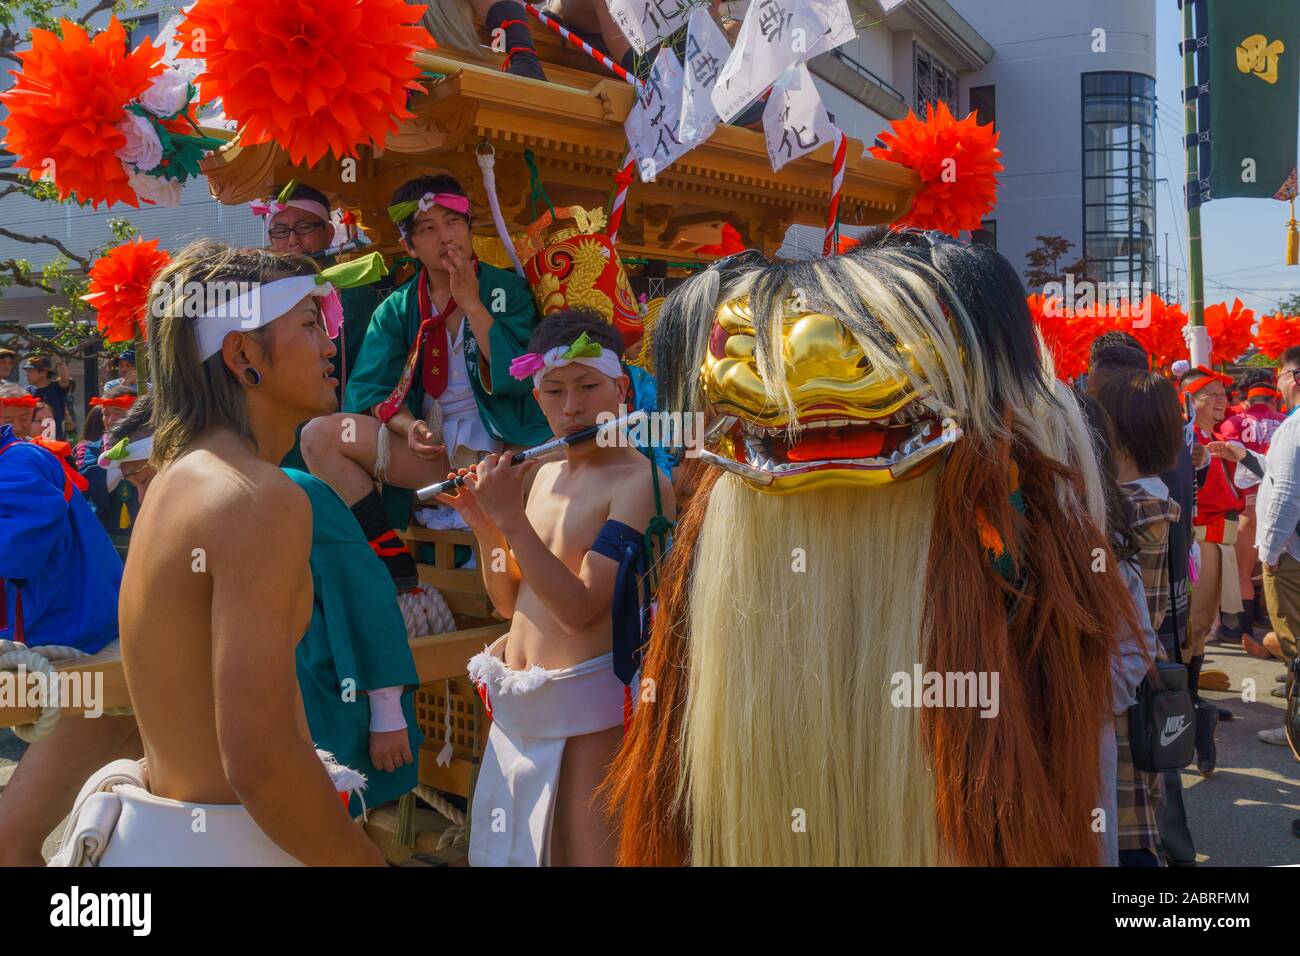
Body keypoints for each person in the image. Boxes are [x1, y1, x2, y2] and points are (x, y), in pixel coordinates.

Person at [54, 241, 384, 866]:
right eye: (311, 325)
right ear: (242, 355)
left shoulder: (178, 480)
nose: (330, 345)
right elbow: (259, 760)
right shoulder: (256, 497)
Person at [438, 309, 675, 866]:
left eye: (589, 386)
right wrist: (485, 523)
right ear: (537, 398)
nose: (573, 407)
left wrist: (510, 520)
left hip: (586, 716)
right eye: (554, 391)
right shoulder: (542, 474)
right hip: (516, 713)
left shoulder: (642, 481)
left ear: (621, 388)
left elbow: (578, 609)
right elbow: (506, 601)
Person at [302, 174, 550, 591]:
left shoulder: (509, 290)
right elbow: (370, 390)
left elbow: (520, 374)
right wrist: (408, 427)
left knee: (560, 463)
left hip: (506, 446)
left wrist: (472, 303)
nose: (445, 237)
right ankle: (386, 552)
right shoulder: (397, 308)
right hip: (433, 452)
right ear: (410, 246)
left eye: (453, 223)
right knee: (319, 436)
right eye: (429, 229)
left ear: (470, 229)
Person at [0, 395, 124, 867]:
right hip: (92, 658)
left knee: (8, 846)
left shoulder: (18, 465)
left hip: (97, 663)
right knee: (121, 836)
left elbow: (15, 552)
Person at [1091, 369, 1186, 867]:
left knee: (1122, 831)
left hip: (1117, 685)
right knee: (1137, 821)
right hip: (1142, 679)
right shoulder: (1163, 500)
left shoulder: (1122, 510)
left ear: (1116, 436)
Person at [1216, 368, 1288, 653]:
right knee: (1280, 572)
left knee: (1244, 572)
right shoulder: (1286, 422)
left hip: (1247, 506)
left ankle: (1243, 634)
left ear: (1245, 397)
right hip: (1281, 505)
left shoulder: (1233, 423)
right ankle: (1275, 633)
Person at [23, 355, 71, 440]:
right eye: (27, 371)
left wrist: (60, 362)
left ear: (43, 372)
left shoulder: (57, 388)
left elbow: (65, 380)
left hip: (56, 440)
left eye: (31, 371)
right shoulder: (27, 392)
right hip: (32, 441)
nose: (27, 374)